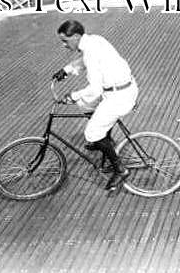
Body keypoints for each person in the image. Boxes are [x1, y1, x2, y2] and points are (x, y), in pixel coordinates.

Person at [52, 20, 138, 191]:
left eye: (65, 41)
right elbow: (84, 60)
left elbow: (95, 89)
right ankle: (104, 137)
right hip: (124, 88)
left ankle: (120, 169)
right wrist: (67, 70)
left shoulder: (90, 50)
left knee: (91, 133)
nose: (64, 45)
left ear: (76, 37)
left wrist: (72, 96)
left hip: (118, 97)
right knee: (85, 105)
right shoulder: (93, 40)